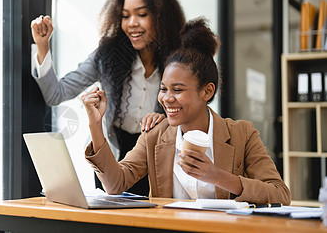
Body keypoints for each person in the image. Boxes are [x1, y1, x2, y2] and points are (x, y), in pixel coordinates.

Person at [81, 18, 291, 204]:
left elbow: (280, 194)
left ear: (207, 91)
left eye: (178, 90)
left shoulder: (242, 135)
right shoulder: (155, 134)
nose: (167, 98)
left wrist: (217, 176)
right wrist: (95, 125)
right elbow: (115, 184)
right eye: (163, 89)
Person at [30, 0, 185, 195]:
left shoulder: (180, 61)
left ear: (161, 18)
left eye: (141, 14)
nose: (132, 23)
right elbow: (56, 94)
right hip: (111, 157)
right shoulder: (107, 56)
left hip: (158, 157)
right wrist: (43, 46)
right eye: (125, 15)